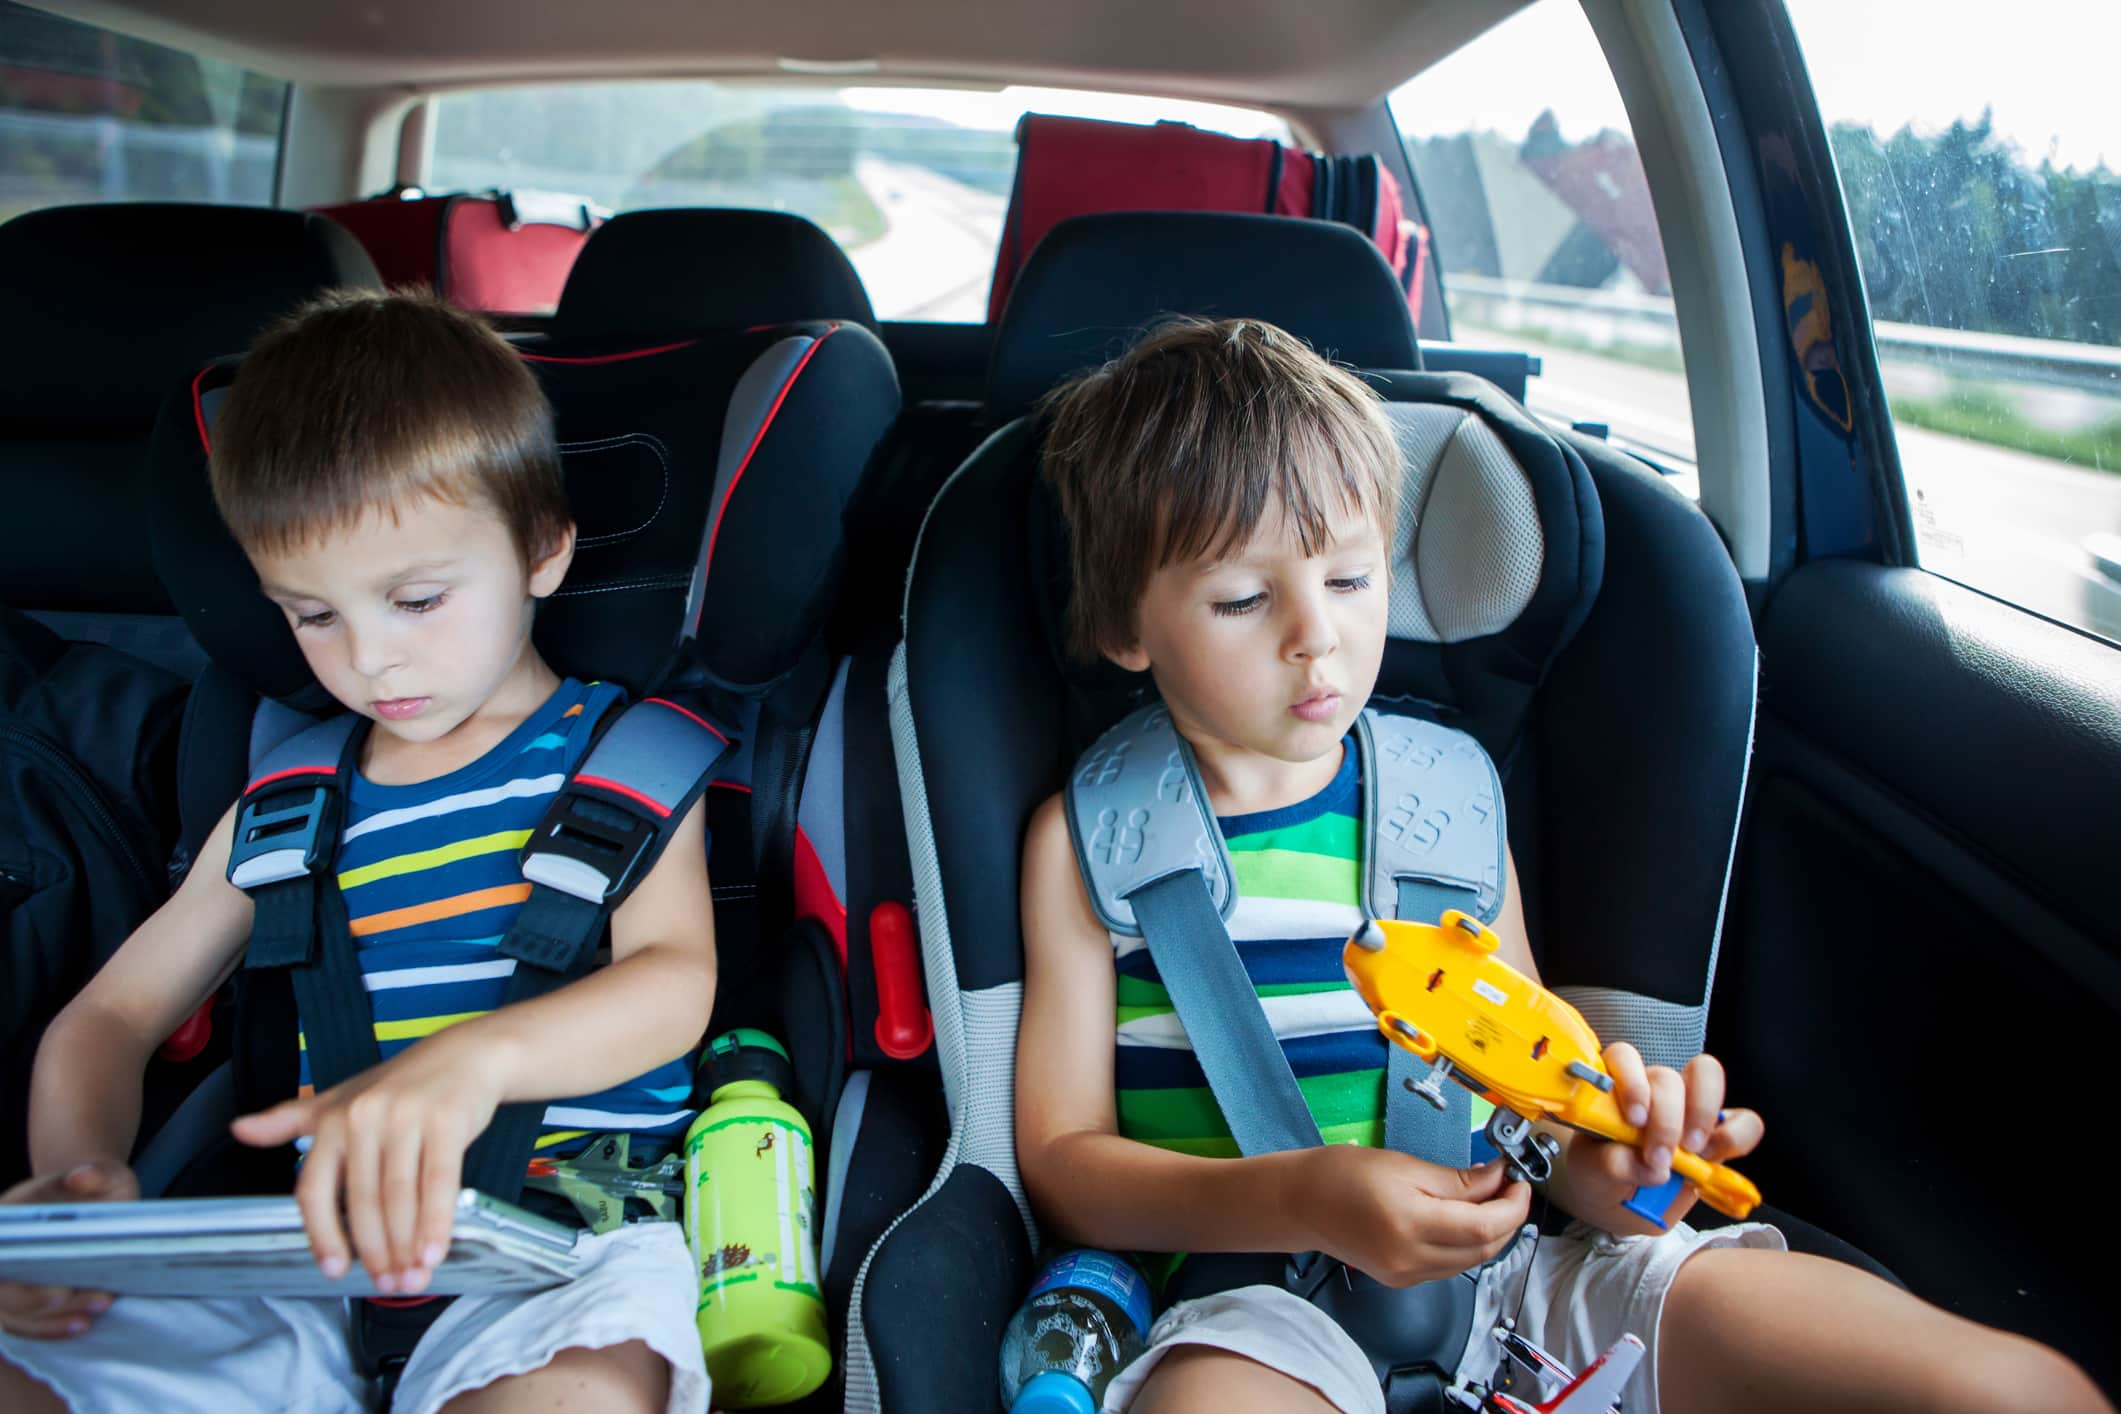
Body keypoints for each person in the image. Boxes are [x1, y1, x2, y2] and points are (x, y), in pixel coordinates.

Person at [1014, 315, 2108, 1414]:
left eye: (1350, 578)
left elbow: (1525, 1103)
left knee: (2015, 1389)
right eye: (1244, 599)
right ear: (1126, 626)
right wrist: (1301, 1198)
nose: (1316, 636)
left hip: (1521, 1274)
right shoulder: (1091, 843)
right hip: (1253, 1308)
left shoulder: (1447, 807)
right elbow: (1063, 1163)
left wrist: (1621, 1167)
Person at [0, 291, 715, 1414]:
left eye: (418, 599)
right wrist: (77, 1182)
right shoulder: (285, 807)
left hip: (562, 1254)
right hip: (312, 1258)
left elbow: (674, 983)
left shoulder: (623, 766)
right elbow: (106, 1018)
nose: (372, 660)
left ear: (542, 549)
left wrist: (471, 1062)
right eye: (311, 615)